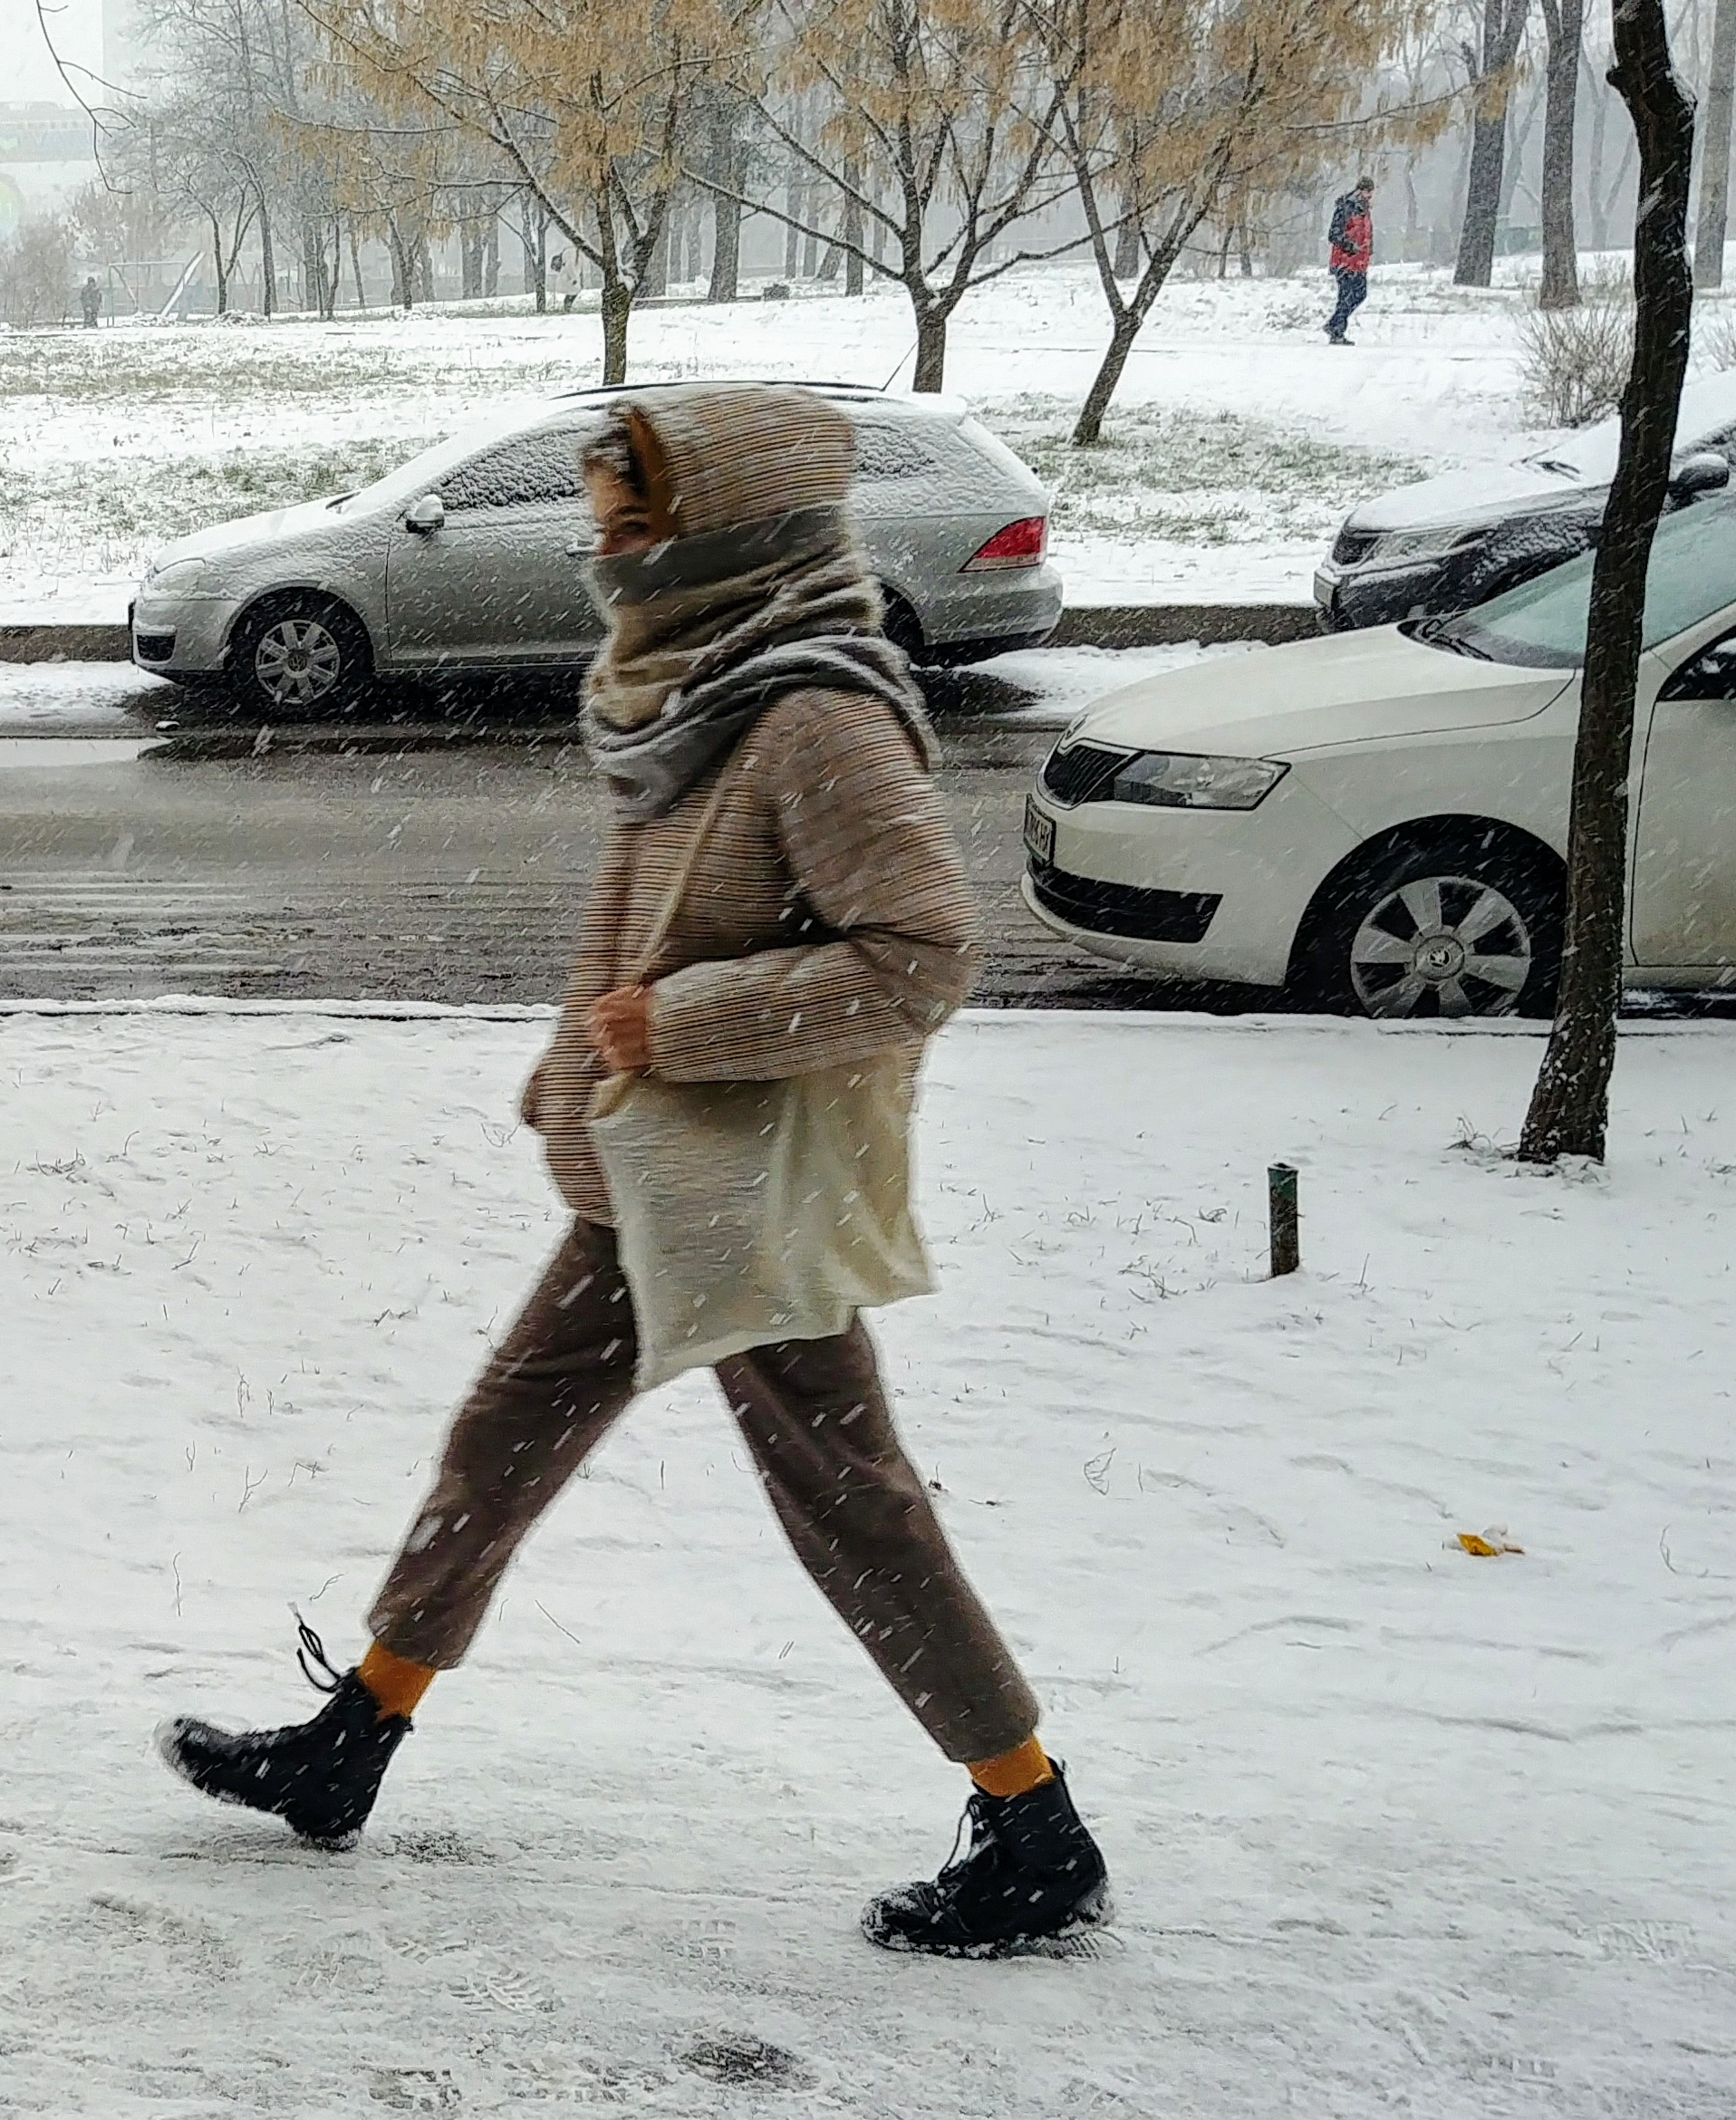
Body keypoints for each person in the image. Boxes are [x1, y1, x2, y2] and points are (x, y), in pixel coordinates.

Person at [160, 384, 1114, 1959]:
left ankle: (1035, 1826)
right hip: (652, 1168)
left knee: (849, 1503)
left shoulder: (814, 711)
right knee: (502, 1440)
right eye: (607, 522)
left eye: (634, 525)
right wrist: (583, 1076)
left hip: (733, 1178)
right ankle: (354, 1745)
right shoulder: (692, 681)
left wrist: (674, 1024)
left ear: (730, 531)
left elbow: (926, 951)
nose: (606, 554)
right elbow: (655, 909)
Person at [1326, 178, 1375, 345]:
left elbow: (1366, 233)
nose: (1370, 196)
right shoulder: (1347, 207)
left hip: (1360, 262)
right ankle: (1337, 331)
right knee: (1346, 296)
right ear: (1360, 190)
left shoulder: (1364, 210)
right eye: (1367, 192)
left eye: (1371, 192)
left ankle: (1335, 325)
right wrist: (1349, 246)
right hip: (1345, 261)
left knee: (1359, 294)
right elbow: (1334, 234)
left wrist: (1368, 250)